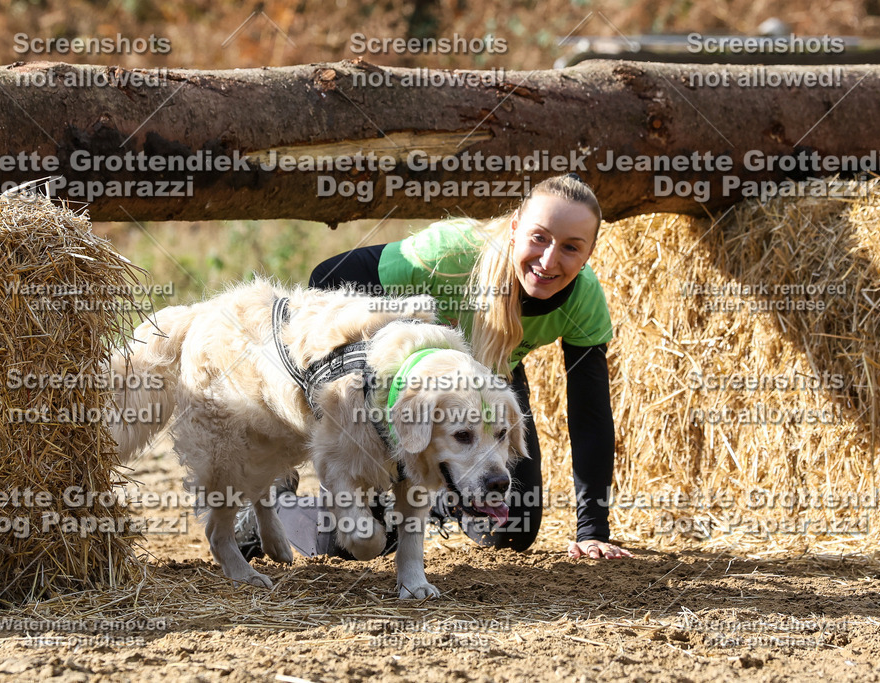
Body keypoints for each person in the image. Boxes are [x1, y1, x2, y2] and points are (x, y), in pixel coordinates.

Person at [235, 173, 632, 561]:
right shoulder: (449, 255)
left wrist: (592, 530)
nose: (548, 259)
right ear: (515, 227)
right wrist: (401, 337)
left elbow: (590, 416)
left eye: (570, 247)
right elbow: (328, 276)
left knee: (512, 527)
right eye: (539, 237)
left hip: (490, 380)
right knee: (347, 544)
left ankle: (443, 487)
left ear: (589, 255)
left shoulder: (585, 302)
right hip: (402, 381)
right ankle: (270, 506)